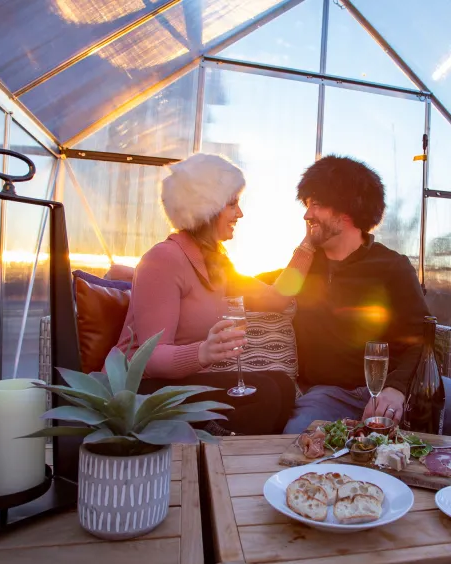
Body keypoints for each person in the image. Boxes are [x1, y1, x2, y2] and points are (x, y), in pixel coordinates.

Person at [114, 153, 315, 435]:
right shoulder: (164, 259)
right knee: (266, 393)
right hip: (135, 390)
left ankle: (239, 461)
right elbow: (149, 357)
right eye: (232, 204)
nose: (240, 213)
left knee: (281, 385)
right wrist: (204, 352)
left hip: (178, 383)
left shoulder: (216, 263)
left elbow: (277, 299)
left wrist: (308, 245)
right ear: (205, 210)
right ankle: (221, 468)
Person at [282, 155, 451, 439]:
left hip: (390, 390)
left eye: (316, 204)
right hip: (328, 395)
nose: (307, 214)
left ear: (346, 209)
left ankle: (446, 474)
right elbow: (269, 292)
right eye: (307, 204)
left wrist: (396, 388)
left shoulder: (392, 266)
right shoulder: (304, 265)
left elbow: (423, 340)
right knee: (296, 436)